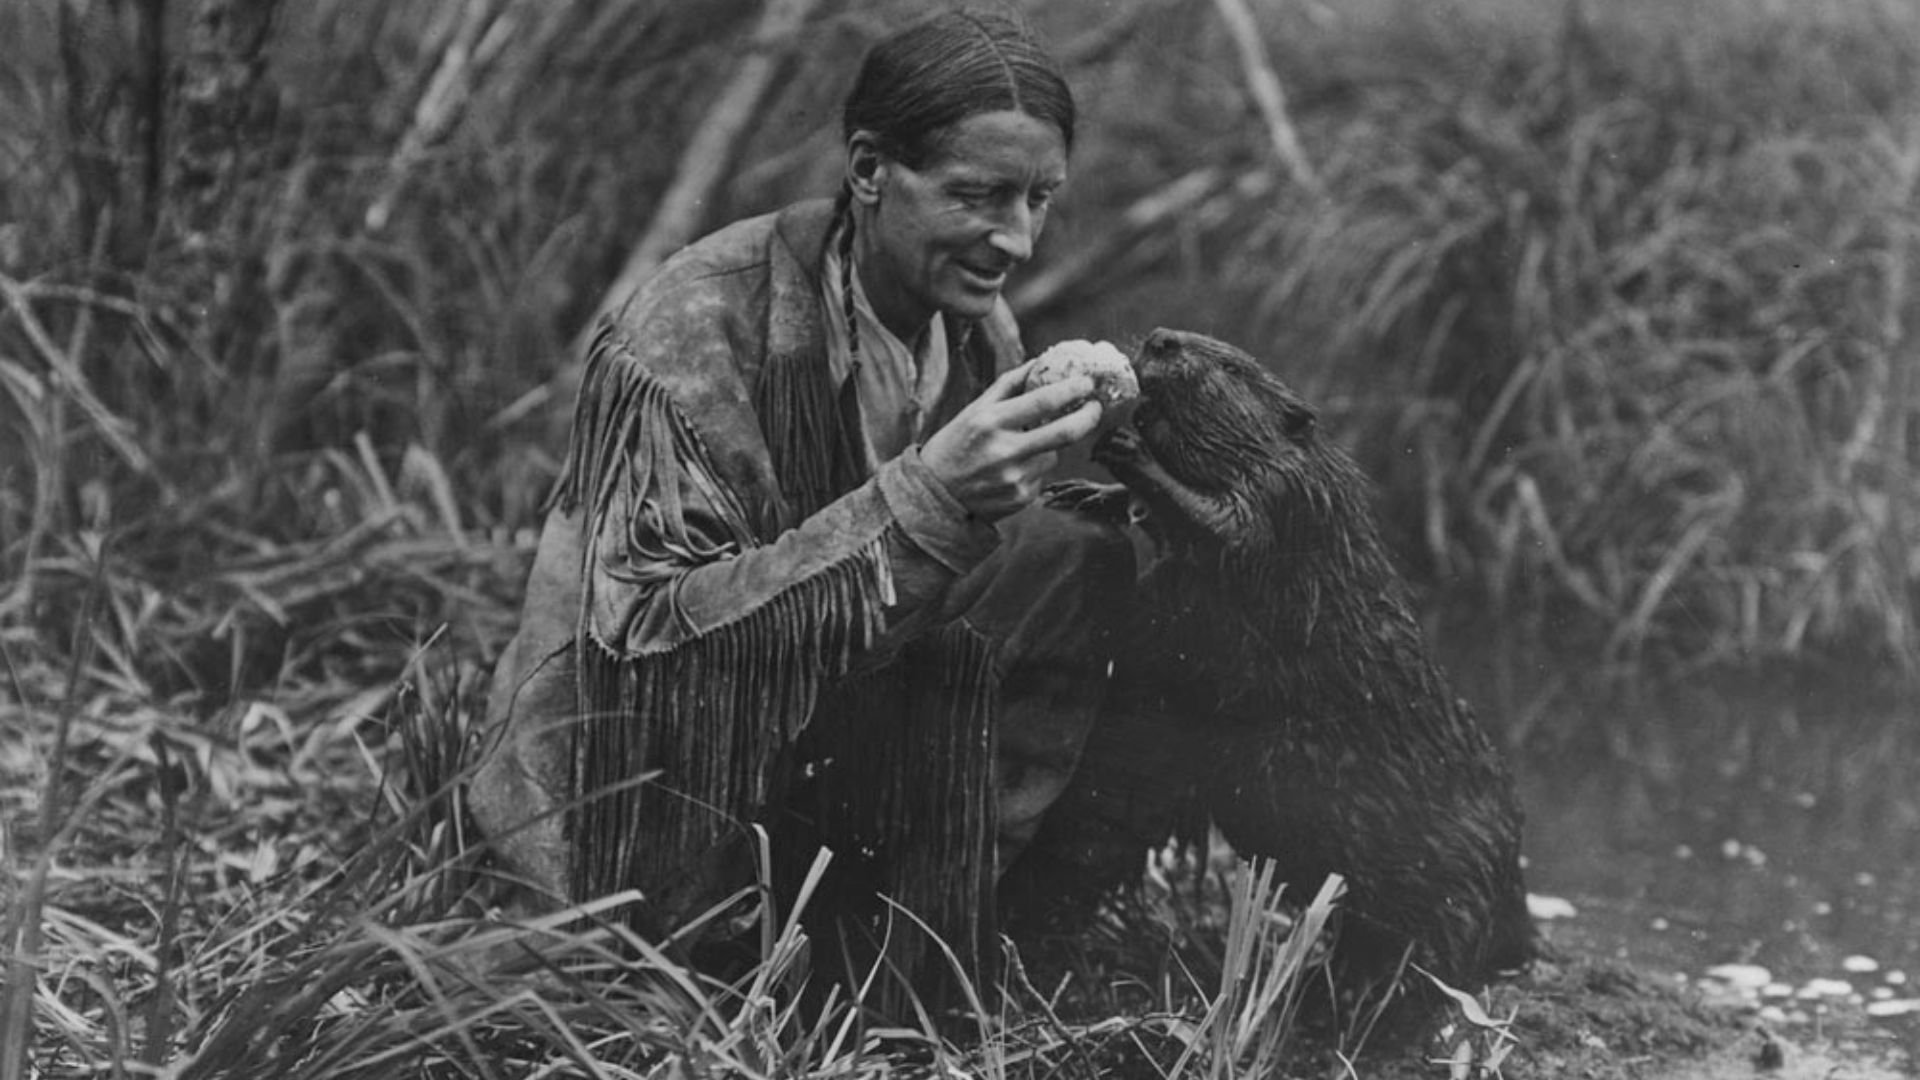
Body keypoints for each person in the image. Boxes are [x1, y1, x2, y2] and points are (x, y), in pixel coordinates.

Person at [469, 9, 1139, 1006]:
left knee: (1077, 556)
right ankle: (747, 956)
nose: (1018, 239)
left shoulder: (980, 329)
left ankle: (925, 937)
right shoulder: (696, 328)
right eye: (980, 195)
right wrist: (926, 499)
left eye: (1041, 198)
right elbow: (649, 639)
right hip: (644, 788)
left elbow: (963, 593)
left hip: (821, 730)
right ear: (870, 170)